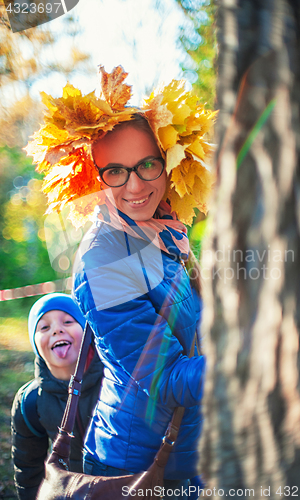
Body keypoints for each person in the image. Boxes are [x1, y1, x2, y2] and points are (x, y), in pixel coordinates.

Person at [25, 66, 217, 499]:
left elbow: (194, 326)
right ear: (95, 177)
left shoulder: (165, 231)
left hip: (191, 452)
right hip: (138, 467)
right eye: (115, 171)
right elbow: (164, 380)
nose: (134, 185)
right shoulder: (105, 257)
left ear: (169, 163)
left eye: (148, 164)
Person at [11, 293, 104, 500]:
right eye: (44, 327)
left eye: (68, 321)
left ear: (87, 332)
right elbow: (28, 469)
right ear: (35, 344)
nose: (57, 329)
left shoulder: (115, 381)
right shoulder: (30, 401)